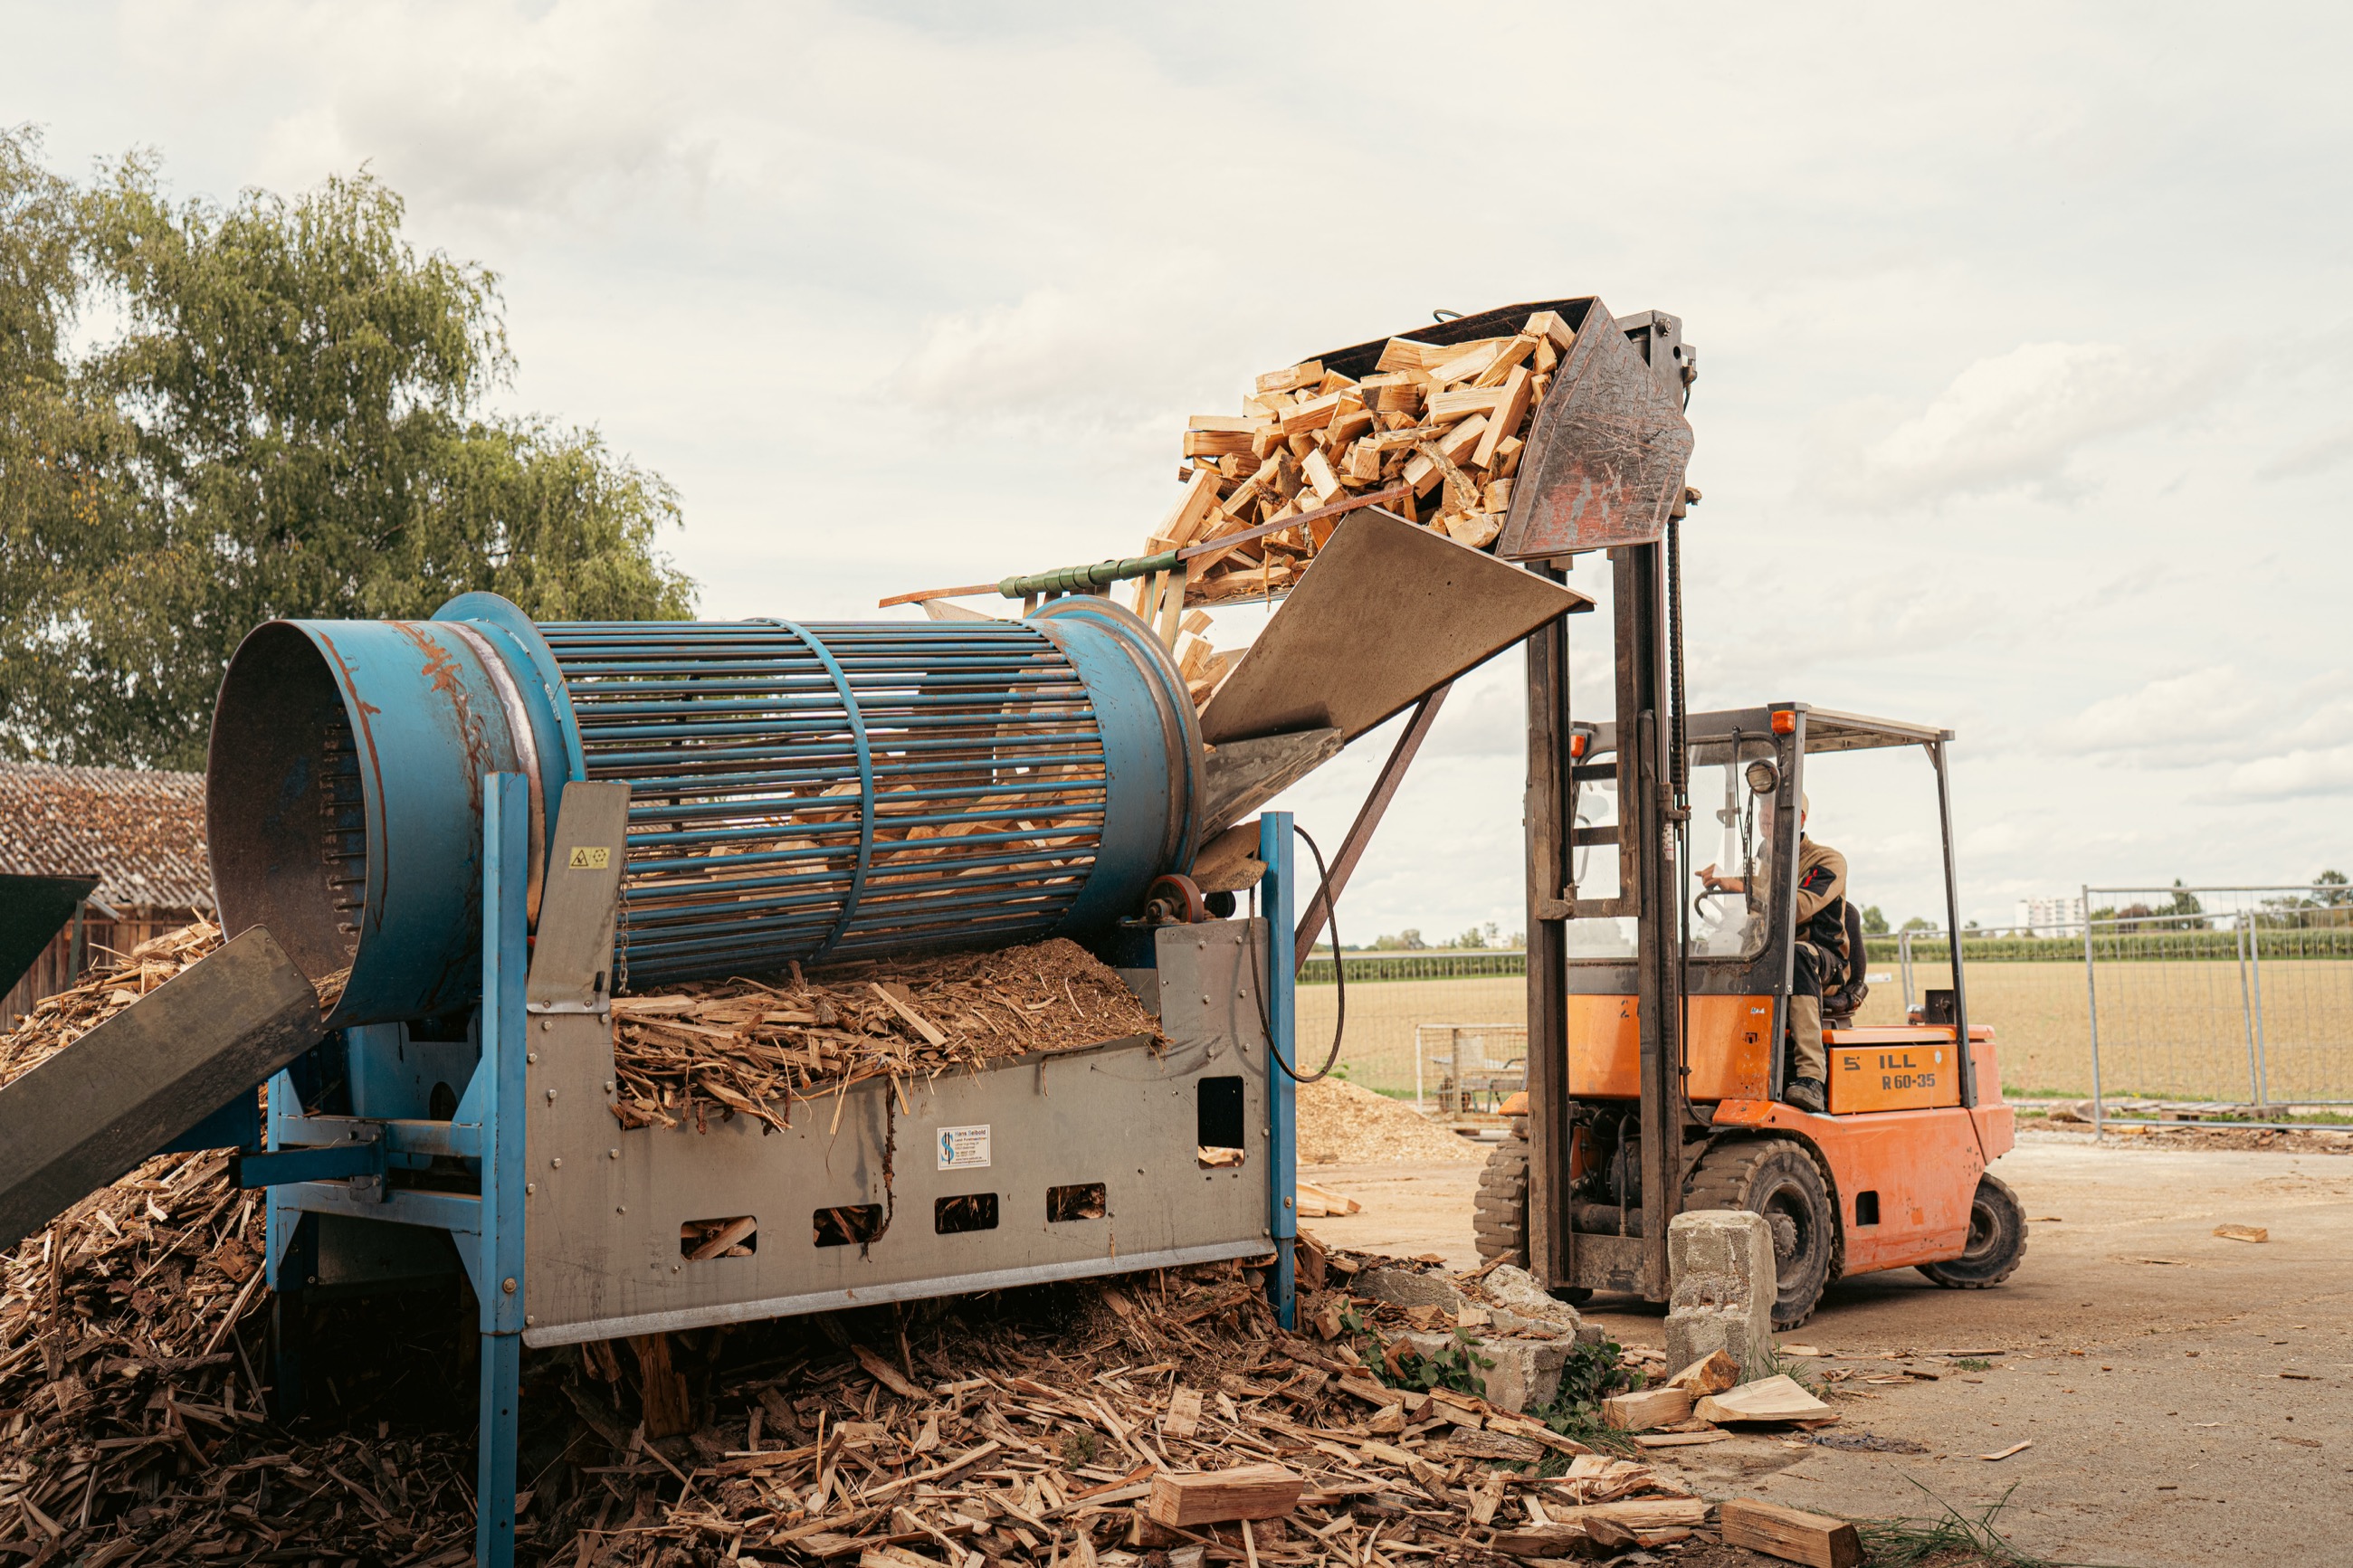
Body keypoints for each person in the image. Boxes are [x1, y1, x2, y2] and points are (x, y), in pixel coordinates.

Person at [1700, 795, 1848, 1114]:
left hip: (1823, 961)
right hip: (1771, 955)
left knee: (1795, 956)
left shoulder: (1826, 861)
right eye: (1763, 808)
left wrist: (1740, 887)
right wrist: (1727, 879)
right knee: (1712, 953)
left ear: (1802, 819)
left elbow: (1795, 907)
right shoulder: (1766, 859)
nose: (1766, 815)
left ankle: (1811, 1077)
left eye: (1775, 808)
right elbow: (1752, 891)